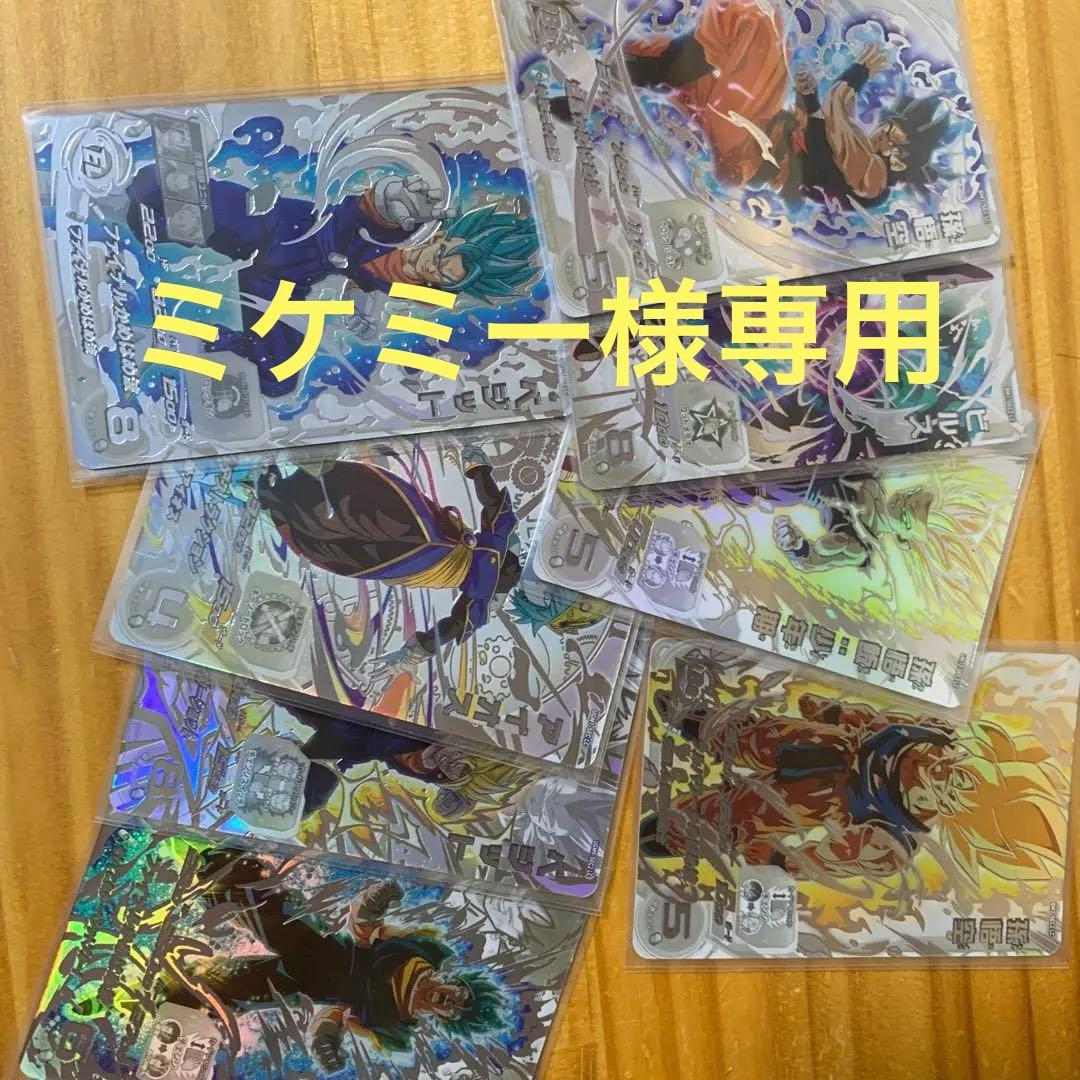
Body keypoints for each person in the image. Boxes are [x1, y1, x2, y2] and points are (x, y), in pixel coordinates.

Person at [126, 168, 541, 392]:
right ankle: (145, 199)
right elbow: (368, 214)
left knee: (280, 373)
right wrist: (388, 200)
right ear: (444, 237)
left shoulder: (402, 284)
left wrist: (364, 308)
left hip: (284, 281)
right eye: (442, 255)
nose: (432, 266)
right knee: (176, 199)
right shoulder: (407, 226)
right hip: (283, 228)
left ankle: (195, 341)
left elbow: (363, 281)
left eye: (442, 275)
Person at [163, 860, 506, 1064]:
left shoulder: (395, 1025)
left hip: (297, 984)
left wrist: (326, 1041)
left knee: (213, 991)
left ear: (447, 1019)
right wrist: (375, 902)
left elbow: (339, 1016)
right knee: (253, 889)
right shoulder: (421, 951)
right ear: (457, 982)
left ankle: (164, 989)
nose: (452, 1001)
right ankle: (204, 869)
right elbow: (365, 929)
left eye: (457, 1010)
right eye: (462, 995)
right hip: (314, 940)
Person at [619, 1, 950, 206]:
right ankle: (643, 65)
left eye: (895, 133)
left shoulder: (874, 177)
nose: (884, 130)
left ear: (906, 156)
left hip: (748, 142)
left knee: (758, 22)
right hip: (741, 137)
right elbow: (817, 136)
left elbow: (836, 106)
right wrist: (807, 96)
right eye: (890, 125)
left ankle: (672, 61)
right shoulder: (861, 160)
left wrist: (860, 71)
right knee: (690, 68)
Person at [257, 447, 520, 667]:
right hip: (431, 530)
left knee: (349, 545)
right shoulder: (497, 544)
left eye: (513, 570)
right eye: (516, 565)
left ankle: (284, 501)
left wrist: (414, 652)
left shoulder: (483, 596)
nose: (516, 568)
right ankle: (308, 479)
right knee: (371, 499)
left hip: (422, 562)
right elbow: (495, 505)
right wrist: (478, 468)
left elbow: (453, 626)